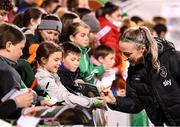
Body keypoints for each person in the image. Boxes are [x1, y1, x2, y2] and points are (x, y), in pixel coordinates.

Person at [102, 26, 180, 126]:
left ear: (142, 48)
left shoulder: (171, 58)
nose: (125, 58)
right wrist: (114, 101)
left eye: (128, 54)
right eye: (123, 53)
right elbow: (135, 103)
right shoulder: (134, 71)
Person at [35, 42, 105, 108]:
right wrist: (91, 102)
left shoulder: (54, 75)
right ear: (43, 60)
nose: (59, 63)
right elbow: (62, 97)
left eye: (60, 60)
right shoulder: (43, 78)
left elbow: (66, 93)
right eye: (56, 60)